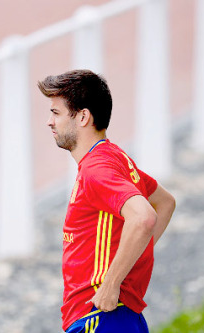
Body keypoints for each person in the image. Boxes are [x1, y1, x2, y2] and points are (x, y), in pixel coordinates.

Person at [37, 69, 176, 333]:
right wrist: (132, 258)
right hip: (115, 317)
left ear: (83, 117)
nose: (49, 122)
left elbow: (145, 216)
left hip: (100, 316)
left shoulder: (96, 170)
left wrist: (112, 284)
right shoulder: (114, 157)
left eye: (56, 113)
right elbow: (165, 203)